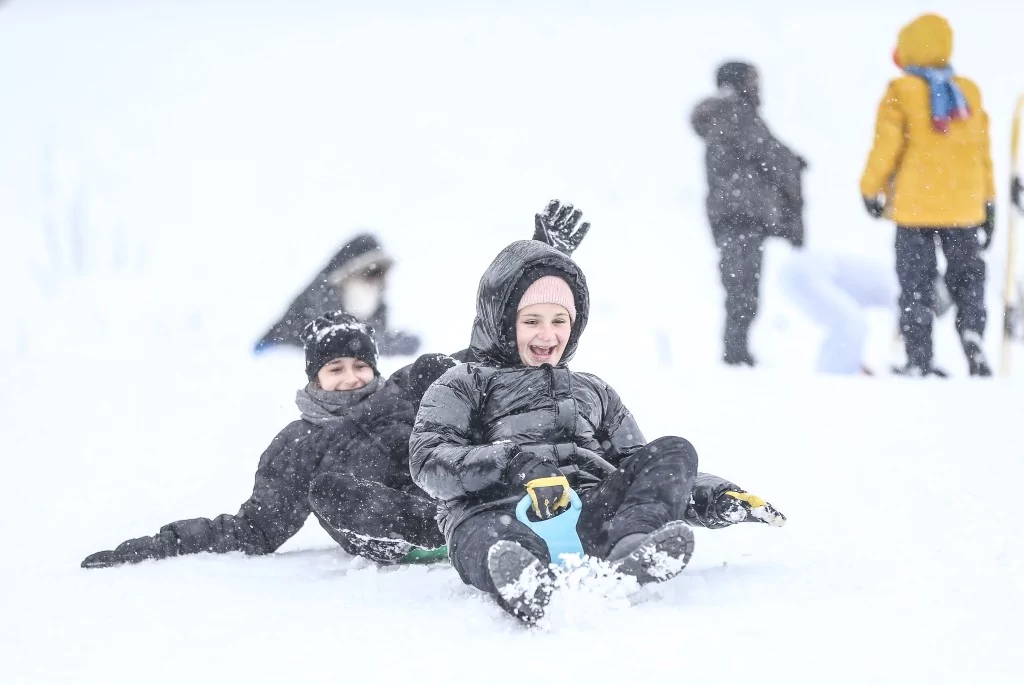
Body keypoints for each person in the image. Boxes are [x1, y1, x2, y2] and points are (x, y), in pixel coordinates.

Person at [409, 240, 786, 625]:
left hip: (586, 514)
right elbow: (427, 460)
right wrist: (511, 464)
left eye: (559, 321)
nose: (547, 335)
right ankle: (525, 582)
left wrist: (711, 497)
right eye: (531, 321)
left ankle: (634, 548)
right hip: (498, 514)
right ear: (503, 323)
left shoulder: (594, 391)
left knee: (674, 450)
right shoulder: (465, 382)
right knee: (491, 541)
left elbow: (635, 466)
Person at [82, 312, 455, 569]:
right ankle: (441, 525)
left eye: (361, 366)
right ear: (315, 377)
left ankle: (490, 500)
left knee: (437, 368)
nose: (351, 378)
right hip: (398, 538)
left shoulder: (402, 392)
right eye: (335, 369)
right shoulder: (298, 444)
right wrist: (163, 544)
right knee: (329, 490)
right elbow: (255, 529)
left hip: (456, 494)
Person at [860, 13, 995, 377]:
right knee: (968, 277)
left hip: (915, 209)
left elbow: (886, 147)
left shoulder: (900, 92)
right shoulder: (968, 91)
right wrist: (989, 202)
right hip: (965, 207)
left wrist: (870, 189)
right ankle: (972, 331)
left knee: (915, 283)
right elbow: (982, 152)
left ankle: (919, 358)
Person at [691, 61, 807, 366]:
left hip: (728, 215)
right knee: (743, 287)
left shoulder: (723, 115)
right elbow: (772, 155)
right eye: (754, 81)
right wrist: (795, 164)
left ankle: (736, 349)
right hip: (742, 215)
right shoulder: (738, 114)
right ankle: (736, 353)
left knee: (738, 283)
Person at [254, 233, 421, 357]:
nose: (375, 284)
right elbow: (344, 343)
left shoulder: (377, 312)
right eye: (370, 273)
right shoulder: (317, 302)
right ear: (345, 276)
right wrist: (391, 345)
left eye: (380, 275)